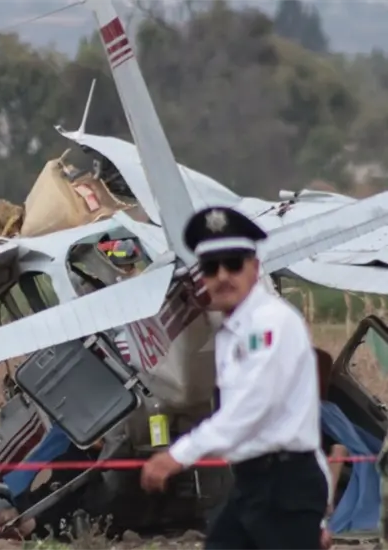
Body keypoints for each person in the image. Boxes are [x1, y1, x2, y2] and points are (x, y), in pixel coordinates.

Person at [139, 206, 331, 549]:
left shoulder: (270, 323)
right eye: (212, 268)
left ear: (255, 268)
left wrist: (177, 455)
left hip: (285, 488)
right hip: (253, 484)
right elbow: (295, 418)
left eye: (234, 263)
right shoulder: (232, 330)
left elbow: (252, 407)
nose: (223, 276)